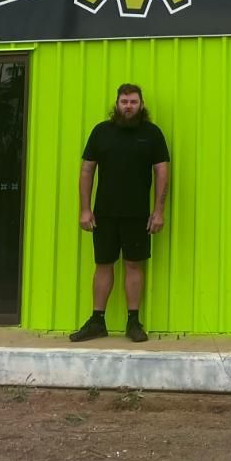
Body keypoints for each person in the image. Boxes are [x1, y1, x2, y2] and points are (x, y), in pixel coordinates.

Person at [69, 82, 170, 343]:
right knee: (103, 264)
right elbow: (86, 170)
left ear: (141, 104)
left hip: (137, 214)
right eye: (124, 102)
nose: (128, 106)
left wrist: (158, 211)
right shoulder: (101, 132)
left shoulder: (152, 134)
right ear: (117, 104)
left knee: (133, 264)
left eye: (133, 102)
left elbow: (162, 171)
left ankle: (133, 322)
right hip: (104, 213)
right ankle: (97, 321)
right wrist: (84, 209)